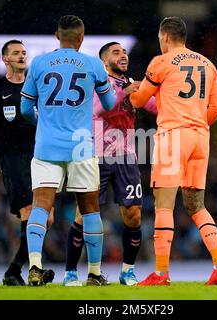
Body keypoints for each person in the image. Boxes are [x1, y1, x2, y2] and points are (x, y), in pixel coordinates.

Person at [128, 16, 217, 285]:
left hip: (173, 137)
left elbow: (138, 101)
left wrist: (133, 90)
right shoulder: (208, 64)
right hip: (200, 138)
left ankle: (161, 272)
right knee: (196, 205)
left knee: (164, 206)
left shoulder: (161, 62)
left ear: (164, 37)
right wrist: (195, 123)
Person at [20, 15, 116, 286]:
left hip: (47, 146)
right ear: (81, 37)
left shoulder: (39, 63)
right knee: (90, 210)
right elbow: (109, 104)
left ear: (56, 35)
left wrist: (44, 123)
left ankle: (36, 268)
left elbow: (26, 109)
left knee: (40, 205)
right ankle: (95, 274)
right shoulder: (93, 64)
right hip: (81, 147)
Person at [62, 42, 157, 286]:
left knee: (134, 215)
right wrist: (126, 93)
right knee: (85, 214)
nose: (123, 55)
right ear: (105, 61)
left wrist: (175, 102)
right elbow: (97, 110)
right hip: (96, 156)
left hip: (126, 157)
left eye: (124, 52)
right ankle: (71, 272)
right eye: (116, 53)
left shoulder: (131, 84)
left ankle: (127, 271)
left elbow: (153, 106)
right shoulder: (95, 82)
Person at [0, 40, 54, 286]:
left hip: (42, 156)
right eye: (16, 53)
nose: (21, 56)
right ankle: (35, 269)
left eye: (24, 53)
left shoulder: (38, 88)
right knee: (29, 211)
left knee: (47, 218)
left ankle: (13, 271)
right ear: (4, 59)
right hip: (14, 158)